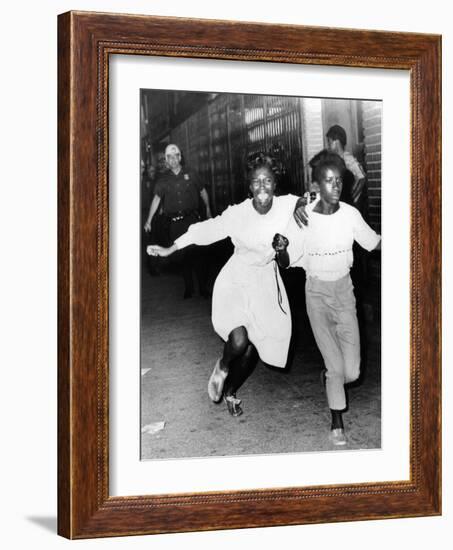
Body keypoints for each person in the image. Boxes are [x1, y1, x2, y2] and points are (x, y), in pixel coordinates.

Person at [147, 153, 299, 417]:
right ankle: (223, 365)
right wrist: (171, 248)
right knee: (239, 341)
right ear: (249, 186)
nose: (262, 187)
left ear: (276, 183)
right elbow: (204, 230)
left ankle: (230, 390)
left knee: (256, 349)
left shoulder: (289, 206)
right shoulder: (237, 214)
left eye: (267, 181)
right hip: (236, 281)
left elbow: (289, 255)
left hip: (265, 284)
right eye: (255, 182)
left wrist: (307, 204)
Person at [287, 153, 381, 446]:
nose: (336, 186)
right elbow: (286, 256)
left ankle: (330, 377)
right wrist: (282, 240)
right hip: (315, 294)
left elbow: (374, 242)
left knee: (351, 371)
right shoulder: (304, 217)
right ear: (316, 184)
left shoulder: (350, 215)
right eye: (329, 180)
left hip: (344, 292)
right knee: (335, 366)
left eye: (339, 180)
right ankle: (336, 420)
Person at [144, 143, 212, 298]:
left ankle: (202, 288)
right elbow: (156, 199)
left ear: (180, 157)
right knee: (182, 255)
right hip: (176, 223)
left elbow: (202, 191)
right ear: (166, 160)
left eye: (175, 156)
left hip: (193, 220)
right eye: (169, 157)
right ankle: (188, 288)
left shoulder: (191, 173)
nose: (173, 160)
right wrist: (149, 220)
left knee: (198, 253)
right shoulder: (163, 180)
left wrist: (208, 208)